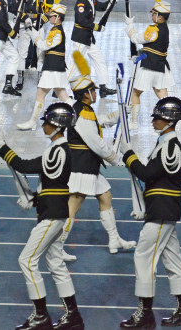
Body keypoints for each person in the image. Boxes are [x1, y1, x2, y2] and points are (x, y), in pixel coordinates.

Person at [0, 103, 81, 330]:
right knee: (55, 263)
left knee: (27, 260)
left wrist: (2, 146)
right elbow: (49, 182)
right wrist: (35, 197)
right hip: (52, 211)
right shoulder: (58, 148)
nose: (44, 125)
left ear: (58, 126)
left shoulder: (57, 150)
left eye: (47, 122)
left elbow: (25, 165)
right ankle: (73, 317)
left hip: (52, 214)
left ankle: (40, 316)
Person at [120, 97, 181, 328]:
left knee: (143, 256)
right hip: (161, 210)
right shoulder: (163, 144)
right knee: (172, 258)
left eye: (158, 117)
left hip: (162, 211)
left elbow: (148, 174)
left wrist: (128, 155)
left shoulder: (171, 147)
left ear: (170, 121)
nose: (153, 120)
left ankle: (145, 314)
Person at [62, 55, 135, 259]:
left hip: (87, 166)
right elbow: (96, 142)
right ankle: (57, 247)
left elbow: (98, 121)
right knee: (73, 205)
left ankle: (114, 239)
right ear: (85, 94)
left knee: (105, 196)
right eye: (92, 90)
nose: (95, 93)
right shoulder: (82, 113)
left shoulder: (84, 110)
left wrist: (118, 114)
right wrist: (114, 157)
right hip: (82, 167)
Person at [19, 3, 71, 130]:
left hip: (53, 68)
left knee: (40, 95)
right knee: (63, 96)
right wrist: (33, 31)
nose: (50, 18)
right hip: (54, 67)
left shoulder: (57, 32)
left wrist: (32, 32)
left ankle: (32, 121)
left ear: (58, 17)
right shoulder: (55, 30)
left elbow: (43, 46)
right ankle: (81, 117)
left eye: (52, 16)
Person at [125, 0, 172, 132]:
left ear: (160, 17)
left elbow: (136, 38)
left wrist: (129, 26)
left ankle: (133, 122)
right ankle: (169, 119)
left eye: (154, 14)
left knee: (135, 93)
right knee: (161, 93)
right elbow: (153, 46)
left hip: (150, 66)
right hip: (161, 66)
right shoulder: (165, 28)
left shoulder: (153, 29)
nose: (152, 15)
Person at [68, 0, 117, 98]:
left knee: (99, 60)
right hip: (80, 38)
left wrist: (110, 1)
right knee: (74, 66)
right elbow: (81, 20)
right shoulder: (82, 1)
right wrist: (97, 27)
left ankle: (103, 87)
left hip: (88, 38)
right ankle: (59, 89)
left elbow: (101, 7)